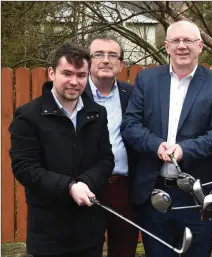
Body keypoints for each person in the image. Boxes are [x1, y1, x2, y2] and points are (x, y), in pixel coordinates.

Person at [120, 20, 212, 257]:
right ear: (166, 46)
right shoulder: (146, 80)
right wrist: (155, 145)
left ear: (200, 46)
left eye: (188, 40)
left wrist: (184, 149)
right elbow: (130, 125)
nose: (182, 46)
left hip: (197, 194)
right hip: (154, 192)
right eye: (176, 41)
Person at [9, 42, 114, 257]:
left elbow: (106, 160)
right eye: (67, 73)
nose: (74, 82)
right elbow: (24, 168)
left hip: (89, 230)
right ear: (51, 73)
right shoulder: (29, 116)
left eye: (81, 75)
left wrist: (86, 182)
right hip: (48, 233)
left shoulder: (97, 113)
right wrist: (69, 186)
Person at [86, 32, 138, 257]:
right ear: (88, 61)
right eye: (98, 54)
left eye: (112, 55)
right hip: (86, 187)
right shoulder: (76, 94)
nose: (106, 60)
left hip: (124, 188)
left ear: (122, 63)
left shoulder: (133, 94)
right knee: (86, 249)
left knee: (124, 250)